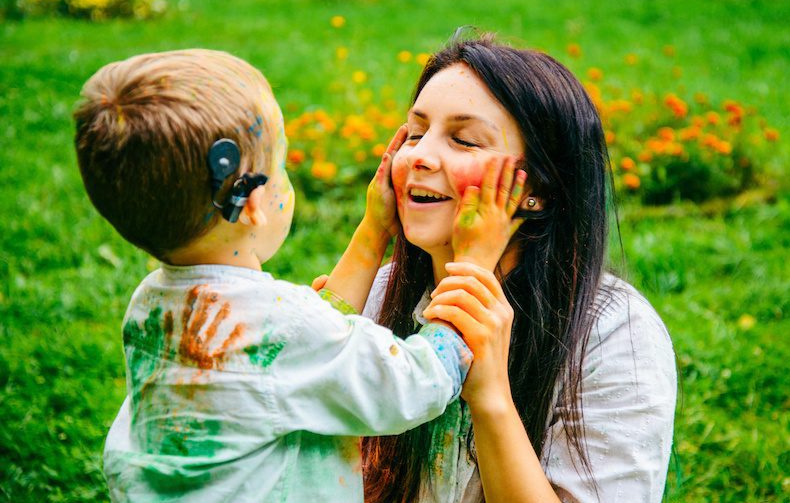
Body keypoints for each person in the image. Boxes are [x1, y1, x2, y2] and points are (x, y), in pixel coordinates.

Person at [73, 48, 523, 502]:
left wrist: (373, 232)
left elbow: (308, 353)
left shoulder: (150, 306)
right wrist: (474, 264)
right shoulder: (282, 327)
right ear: (250, 203)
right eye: (281, 168)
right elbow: (413, 382)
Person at [359, 35, 678, 502]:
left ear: (538, 192)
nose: (419, 156)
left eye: (464, 140)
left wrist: (491, 400)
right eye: (414, 132)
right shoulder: (381, 290)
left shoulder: (614, 333)